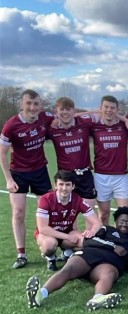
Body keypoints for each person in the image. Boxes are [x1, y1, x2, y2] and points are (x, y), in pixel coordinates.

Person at [26, 207, 128, 311]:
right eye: (122, 221)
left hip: (109, 262)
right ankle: (39, 295)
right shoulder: (107, 229)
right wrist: (113, 246)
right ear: (116, 221)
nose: (125, 225)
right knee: (68, 269)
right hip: (90, 253)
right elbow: (89, 240)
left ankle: (97, 299)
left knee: (109, 274)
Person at [0, 89, 55, 269]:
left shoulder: (45, 117)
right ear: (22, 104)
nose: (32, 107)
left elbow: (70, 113)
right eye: (28, 104)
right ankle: (21, 254)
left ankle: (49, 251)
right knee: (18, 213)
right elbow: (2, 154)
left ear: (40, 105)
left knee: (47, 212)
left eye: (36, 104)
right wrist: (8, 179)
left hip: (40, 171)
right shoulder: (11, 125)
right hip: (18, 173)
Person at [35, 170, 101, 271]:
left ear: (73, 186)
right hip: (48, 234)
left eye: (68, 185)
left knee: (87, 242)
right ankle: (50, 258)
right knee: (49, 245)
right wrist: (68, 237)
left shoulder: (78, 200)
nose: (64, 188)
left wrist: (92, 232)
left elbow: (97, 222)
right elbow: (43, 228)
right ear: (55, 185)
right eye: (61, 184)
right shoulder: (45, 199)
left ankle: (66, 254)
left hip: (67, 232)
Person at [48, 97, 98, 210]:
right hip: (65, 176)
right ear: (56, 111)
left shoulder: (84, 122)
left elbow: (102, 112)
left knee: (89, 212)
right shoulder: (51, 129)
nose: (65, 112)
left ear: (73, 111)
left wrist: (76, 115)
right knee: (67, 214)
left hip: (84, 175)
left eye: (68, 109)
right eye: (62, 109)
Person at [90, 95, 128, 225]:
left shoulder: (124, 126)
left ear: (117, 110)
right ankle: (105, 241)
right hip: (101, 176)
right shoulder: (94, 127)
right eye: (106, 107)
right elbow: (75, 116)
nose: (109, 110)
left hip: (121, 176)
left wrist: (123, 119)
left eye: (112, 108)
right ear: (100, 108)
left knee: (125, 214)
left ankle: (124, 243)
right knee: (103, 214)